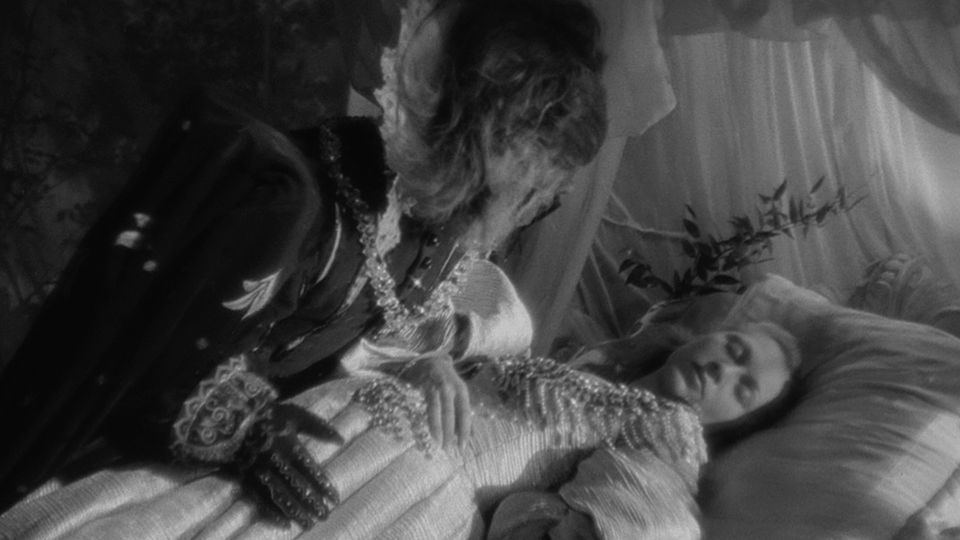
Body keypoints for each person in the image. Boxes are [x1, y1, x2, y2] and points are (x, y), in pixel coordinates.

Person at [0, 0, 607, 526]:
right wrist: (248, 432)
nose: (539, 208)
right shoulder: (290, 203)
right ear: (485, 157)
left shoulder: (440, 234)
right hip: (111, 465)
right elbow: (151, 361)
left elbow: (362, 339)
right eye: (533, 190)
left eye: (546, 196)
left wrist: (422, 364)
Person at [0, 316, 801, 539]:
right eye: (733, 348)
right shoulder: (589, 361)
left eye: (745, 386)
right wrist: (438, 365)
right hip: (353, 418)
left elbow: (631, 523)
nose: (723, 372)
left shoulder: (670, 439)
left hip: (399, 494)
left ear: (743, 420)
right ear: (706, 332)